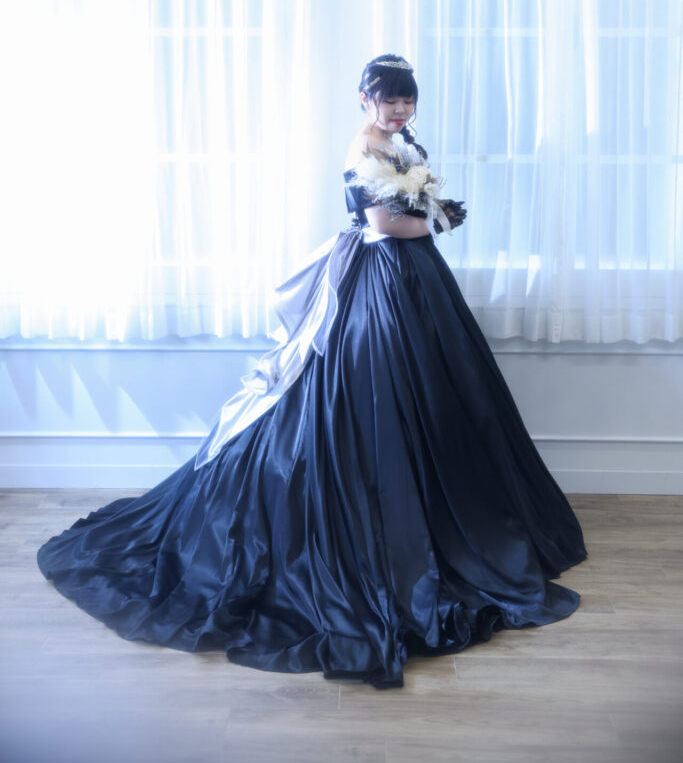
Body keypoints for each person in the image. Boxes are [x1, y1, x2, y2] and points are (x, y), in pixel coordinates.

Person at [37, 54, 587, 690]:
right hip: (383, 280)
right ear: (365, 98)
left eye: (407, 99)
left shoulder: (399, 143)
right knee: (365, 394)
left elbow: (409, 211)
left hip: (414, 279)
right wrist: (431, 218)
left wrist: (430, 209)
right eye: (389, 99)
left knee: (443, 399)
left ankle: (446, 518)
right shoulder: (365, 146)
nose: (399, 109)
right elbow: (383, 224)